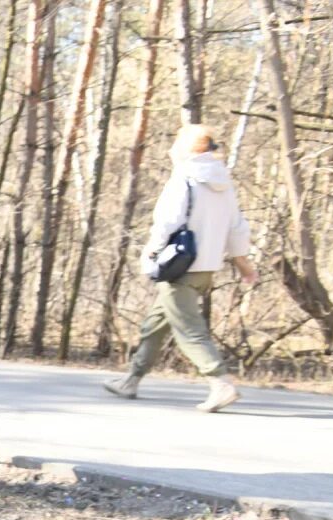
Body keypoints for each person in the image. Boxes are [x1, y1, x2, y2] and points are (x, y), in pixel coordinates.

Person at [106, 124, 259, 413]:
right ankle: (131, 379)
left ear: (186, 149)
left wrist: (151, 252)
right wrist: (243, 264)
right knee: (155, 324)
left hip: (180, 265)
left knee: (189, 329)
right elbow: (237, 228)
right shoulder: (223, 184)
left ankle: (220, 383)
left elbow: (167, 222)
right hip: (205, 269)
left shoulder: (184, 179)